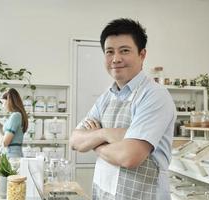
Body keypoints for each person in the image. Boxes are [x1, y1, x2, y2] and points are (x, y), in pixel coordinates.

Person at [70, 18, 176, 200]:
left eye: (124, 51)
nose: (116, 59)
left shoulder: (154, 95)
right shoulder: (106, 97)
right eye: (109, 52)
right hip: (103, 194)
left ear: (142, 55)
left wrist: (95, 143)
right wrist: (106, 134)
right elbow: (75, 140)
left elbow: (130, 157)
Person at [0, 88, 28, 158]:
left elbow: (5, 143)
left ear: (9, 101)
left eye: (3, 103)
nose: (3, 106)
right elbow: (5, 132)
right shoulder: (15, 115)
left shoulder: (15, 116)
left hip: (12, 157)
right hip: (11, 155)